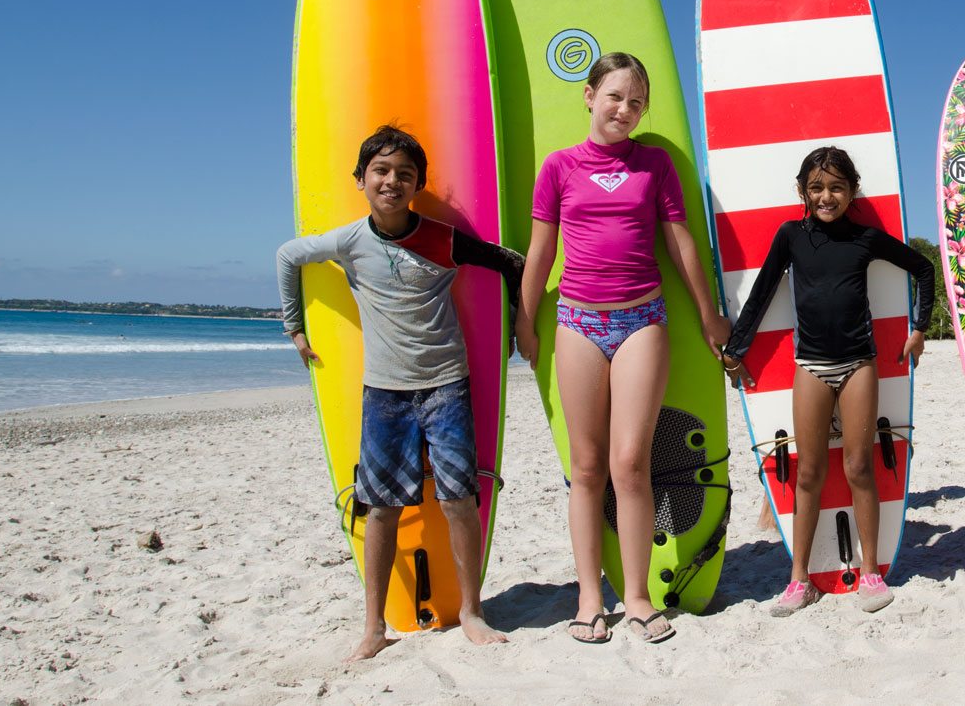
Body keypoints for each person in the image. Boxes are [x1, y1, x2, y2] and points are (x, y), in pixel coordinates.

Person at [277, 125, 525, 661]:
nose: (392, 181)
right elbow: (287, 256)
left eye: (404, 174)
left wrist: (515, 329)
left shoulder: (441, 237)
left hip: (446, 389)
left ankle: (473, 614)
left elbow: (511, 264)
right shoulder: (347, 241)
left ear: (418, 184)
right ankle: (372, 627)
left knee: (460, 501)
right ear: (361, 179)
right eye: (381, 172)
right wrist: (294, 328)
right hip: (384, 396)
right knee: (382, 509)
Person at [516, 52, 729, 645]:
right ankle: (590, 597)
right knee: (586, 470)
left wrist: (709, 314)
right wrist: (524, 320)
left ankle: (636, 597)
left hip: (643, 323)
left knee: (631, 464)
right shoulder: (558, 167)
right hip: (578, 323)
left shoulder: (655, 165)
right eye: (614, 96)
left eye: (636, 101)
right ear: (589, 96)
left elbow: (682, 243)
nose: (625, 110)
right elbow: (540, 253)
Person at [722, 146, 936, 616]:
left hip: (860, 363)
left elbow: (923, 268)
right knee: (810, 472)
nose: (826, 196)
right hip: (811, 366)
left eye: (837, 187)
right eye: (816, 187)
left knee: (860, 468)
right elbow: (761, 293)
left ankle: (871, 572)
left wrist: (919, 330)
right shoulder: (791, 236)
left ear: (852, 190)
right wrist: (736, 348)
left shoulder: (864, 238)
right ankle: (799, 579)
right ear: (802, 191)